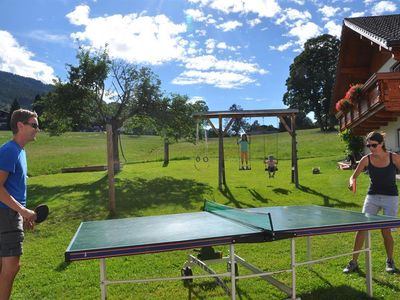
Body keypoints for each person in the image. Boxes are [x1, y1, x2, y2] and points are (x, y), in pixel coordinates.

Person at [343, 131, 400, 274]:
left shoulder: (393, 157)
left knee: (385, 230)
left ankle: (390, 260)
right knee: (361, 228)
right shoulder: (366, 159)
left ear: (381, 144)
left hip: (390, 197)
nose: (371, 148)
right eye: (369, 145)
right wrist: (351, 182)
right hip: (372, 196)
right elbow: (353, 176)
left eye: (374, 145)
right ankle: (354, 262)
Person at [0, 109, 39, 299]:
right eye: (34, 125)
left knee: (6, 267)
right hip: (6, 214)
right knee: (11, 267)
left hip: (11, 214)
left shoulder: (19, 151)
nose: (37, 129)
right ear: (20, 125)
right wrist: (22, 210)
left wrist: (21, 214)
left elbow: (13, 188)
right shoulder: (9, 151)